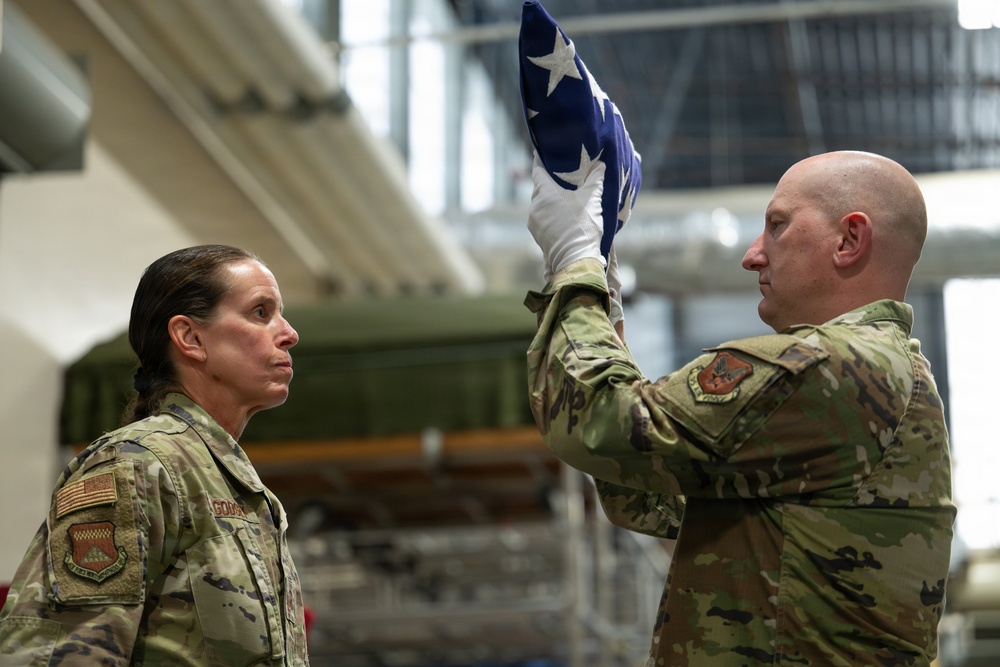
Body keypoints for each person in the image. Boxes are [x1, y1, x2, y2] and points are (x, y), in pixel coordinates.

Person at [524, 150, 956, 665]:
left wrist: (574, 264)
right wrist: (607, 299)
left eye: (777, 225)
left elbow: (595, 420)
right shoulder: (883, 373)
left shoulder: (830, 367)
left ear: (849, 240)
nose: (753, 255)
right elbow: (645, 489)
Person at [0, 245, 310, 666]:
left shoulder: (231, 484)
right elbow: (57, 655)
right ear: (190, 338)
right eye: (260, 312)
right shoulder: (137, 465)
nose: (289, 332)